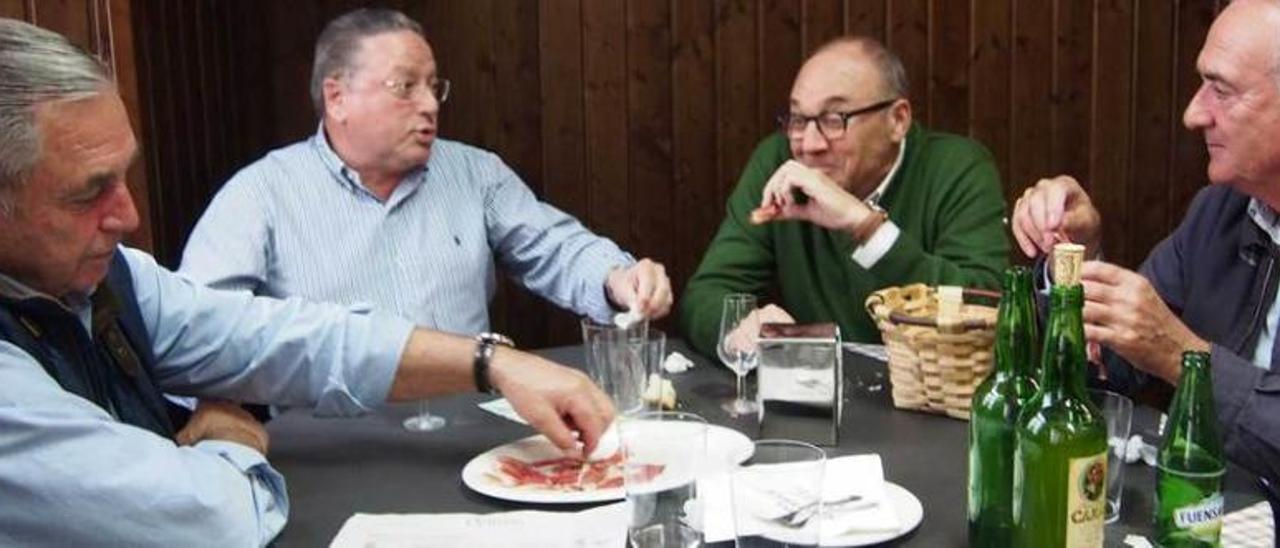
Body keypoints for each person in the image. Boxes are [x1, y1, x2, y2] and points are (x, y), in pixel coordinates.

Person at [0, 19, 613, 545]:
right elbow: (209, 523)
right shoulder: (262, 191)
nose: (128, 215)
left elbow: (280, 337)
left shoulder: (107, 277)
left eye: (123, 177)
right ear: (335, 96)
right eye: (89, 192)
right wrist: (232, 439)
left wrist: (490, 362)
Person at [178, 8, 672, 337]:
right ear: (337, 97)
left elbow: (556, 248)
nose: (430, 104)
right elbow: (197, 327)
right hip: (331, 443)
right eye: (405, 86)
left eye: (434, 86)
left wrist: (616, 277)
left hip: (469, 428)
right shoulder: (261, 195)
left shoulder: (474, 174)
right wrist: (220, 404)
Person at [1011, 0, 1280, 484]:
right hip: (1208, 512)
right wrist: (1076, 261)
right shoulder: (1218, 211)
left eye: (1221, 89)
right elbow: (1111, 370)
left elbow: (1167, 348)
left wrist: (1184, 359)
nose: (1193, 113)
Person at [678, 36, 1009, 357]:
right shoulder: (780, 165)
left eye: (834, 119)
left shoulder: (956, 169)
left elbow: (986, 307)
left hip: (932, 401)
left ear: (898, 120)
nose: (809, 143)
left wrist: (865, 227)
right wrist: (740, 330)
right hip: (815, 397)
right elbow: (706, 294)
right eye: (798, 119)